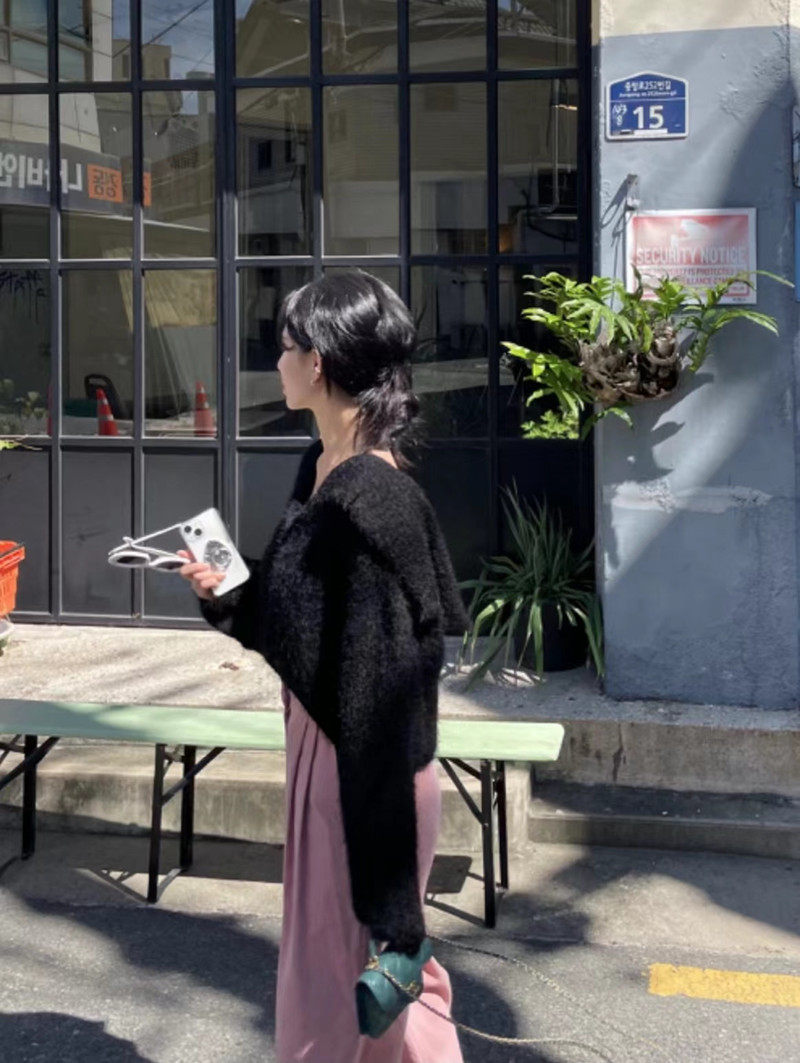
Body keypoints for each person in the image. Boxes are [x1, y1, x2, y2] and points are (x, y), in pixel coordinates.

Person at [179, 270, 467, 1063]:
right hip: (331, 753)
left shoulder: (371, 500)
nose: (274, 361)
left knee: (332, 994)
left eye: (284, 346)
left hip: (363, 776)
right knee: (380, 994)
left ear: (320, 362)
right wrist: (226, 587)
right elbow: (297, 619)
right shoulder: (323, 465)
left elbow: (384, 698)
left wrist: (393, 899)